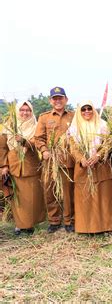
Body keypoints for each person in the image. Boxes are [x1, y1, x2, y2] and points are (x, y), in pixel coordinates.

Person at [68, 101, 112, 234]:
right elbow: (73, 148)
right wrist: (82, 159)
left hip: (101, 166)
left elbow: (109, 143)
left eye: (89, 108)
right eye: (83, 109)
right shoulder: (73, 128)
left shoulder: (103, 125)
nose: (87, 111)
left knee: (104, 197)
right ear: (79, 112)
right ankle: (88, 228)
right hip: (83, 168)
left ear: (94, 110)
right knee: (86, 198)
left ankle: (109, 226)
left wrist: (98, 155)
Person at [0, 101, 45, 235]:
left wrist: (24, 141)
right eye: (22, 110)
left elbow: (37, 142)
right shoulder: (8, 127)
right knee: (17, 197)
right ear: (17, 112)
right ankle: (20, 225)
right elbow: (2, 148)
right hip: (13, 166)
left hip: (31, 165)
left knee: (32, 196)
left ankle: (31, 224)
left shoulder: (36, 126)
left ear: (32, 112)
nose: (25, 113)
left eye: (28, 110)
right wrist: (4, 165)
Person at [34, 87, 75, 233]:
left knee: (68, 191)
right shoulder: (44, 117)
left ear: (66, 99)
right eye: (55, 98)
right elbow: (38, 138)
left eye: (60, 98)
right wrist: (44, 150)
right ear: (50, 101)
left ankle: (69, 220)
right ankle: (54, 220)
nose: (58, 101)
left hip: (67, 160)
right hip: (50, 161)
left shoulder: (73, 116)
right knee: (50, 190)